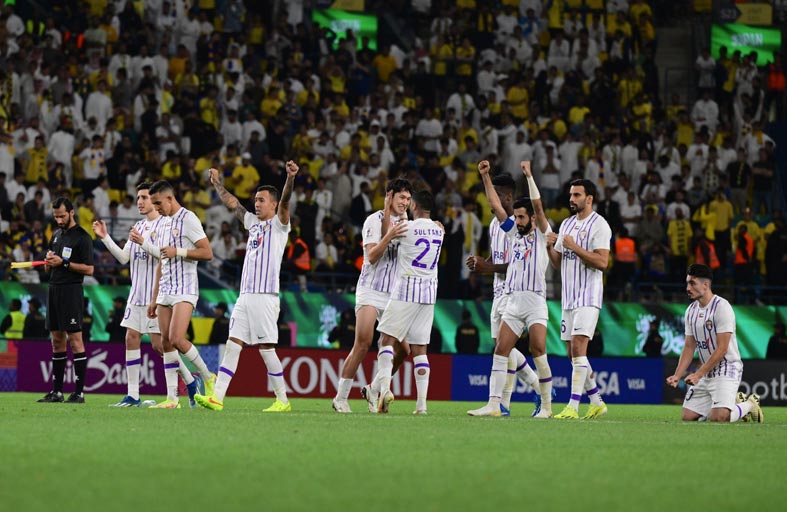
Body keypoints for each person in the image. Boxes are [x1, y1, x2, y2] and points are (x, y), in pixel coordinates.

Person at [194, 162, 300, 412]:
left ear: (273, 204)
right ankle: (217, 398)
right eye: (256, 199)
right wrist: (217, 183)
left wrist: (290, 178)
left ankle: (282, 400)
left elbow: (285, 202)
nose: (257, 203)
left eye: (262, 200)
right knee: (233, 344)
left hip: (265, 296)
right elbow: (234, 205)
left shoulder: (280, 225)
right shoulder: (252, 222)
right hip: (244, 296)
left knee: (266, 349)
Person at [93, 182, 200, 407]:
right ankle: (133, 395)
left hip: (158, 294)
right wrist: (105, 238)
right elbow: (124, 258)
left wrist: (143, 243)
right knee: (130, 337)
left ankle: (190, 382)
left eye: (144, 198)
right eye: (138, 198)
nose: (140, 202)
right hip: (137, 293)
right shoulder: (139, 226)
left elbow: (165, 256)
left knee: (160, 346)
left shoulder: (166, 224)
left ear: (155, 199)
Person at [468, 161, 555, 418]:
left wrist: (529, 175)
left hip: (535, 300)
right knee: (500, 350)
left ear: (531, 218)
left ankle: (547, 407)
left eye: (521, 217)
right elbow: (496, 207)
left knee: (538, 350)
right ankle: (494, 405)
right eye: (515, 217)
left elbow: (538, 206)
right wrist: (485, 177)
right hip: (514, 302)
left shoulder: (541, 235)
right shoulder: (513, 235)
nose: (516, 221)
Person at [332, 179, 412, 413]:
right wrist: (389, 236)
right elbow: (372, 257)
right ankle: (340, 397)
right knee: (363, 342)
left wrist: (433, 227)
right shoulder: (373, 220)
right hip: (371, 290)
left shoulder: (408, 224)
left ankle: (373, 388)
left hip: (393, 295)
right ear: (390, 196)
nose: (405, 203)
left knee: (404, 351)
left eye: (408, 199)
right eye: (401, 198)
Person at [371, 189, 443, 415]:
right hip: (429, 293)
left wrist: (390, 230)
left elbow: (384, 242)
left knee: (386, 340)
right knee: (420, 349)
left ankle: (383, 390)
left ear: (414, 206)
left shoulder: (406, 228)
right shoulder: (440, 231)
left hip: (406, 290)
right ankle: (421, 405)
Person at [147, 180, 216, 409]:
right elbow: (161, 261)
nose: (156, 208)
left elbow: (207, 253)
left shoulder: (189, 219)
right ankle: (172, 399)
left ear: (169, 198)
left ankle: (208, 377)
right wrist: (154, 297)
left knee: (177, 339)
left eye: (158, 203)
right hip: (165, 289)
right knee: (166, 342)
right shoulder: (163, 223)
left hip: (185, 288)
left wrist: (180, 251)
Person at [547, 179, 612, 419]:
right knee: (571, 354)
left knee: (578, 348)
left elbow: (602, 262)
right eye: (571, 195)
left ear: (589, 199)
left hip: (588, 295)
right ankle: (596, 401)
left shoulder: (600, 225)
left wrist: (574, 247)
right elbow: (557, 263)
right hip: (569, 298)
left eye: (576, 195)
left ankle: (573, 406)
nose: (571, 199)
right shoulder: (566, 224)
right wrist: (550, 248)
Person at [666, 264, 763, 423]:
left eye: (692, 283)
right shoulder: (691, 310)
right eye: (687, 283)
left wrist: (698, 374)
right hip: (706, 369)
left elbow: (722, 349)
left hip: (727, 367)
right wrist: (677, 375)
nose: (687, 288)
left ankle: (750, 404)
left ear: (706, 285)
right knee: (687, 417)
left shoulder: (722, 308)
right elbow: (689, 346)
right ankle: (726, 406)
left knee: (719, 417)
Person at [38, 197, 94, 404]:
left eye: (62, 216)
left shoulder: (83, 238)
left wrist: (64, 263)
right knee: (57, 342)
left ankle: (79, 393)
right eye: (56, 217)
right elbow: (49, 266)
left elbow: (89, 269)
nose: (59, 220)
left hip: (71, 291)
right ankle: (57, 392)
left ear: (71, 212)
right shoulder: (55, 235)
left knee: (75, 341)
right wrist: (49, 263)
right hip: (54, 290)